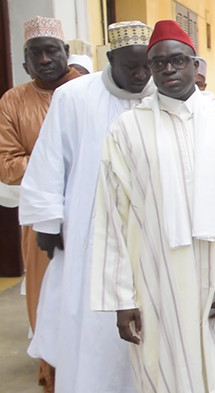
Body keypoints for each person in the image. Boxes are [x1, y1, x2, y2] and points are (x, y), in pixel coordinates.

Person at [90, 20, 215, 393]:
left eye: (177, 60)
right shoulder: (127, 130)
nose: (168, 69)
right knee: (165, 375)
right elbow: (111, 215)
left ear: (194, 63)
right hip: (157, 281)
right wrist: (121, 299)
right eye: (159, 63)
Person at [18, 21, 155, 393]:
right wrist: (47, 221)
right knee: (92, 328)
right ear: (110, 59)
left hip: (151, 238)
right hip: (88, 233)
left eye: (148, 65)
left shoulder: (164, 94)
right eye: (132, 67)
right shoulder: (74, 97)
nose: (142, 75)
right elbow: (50, 161)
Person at [0, 16, 81, 391]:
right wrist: (55, 164)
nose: (45, 59)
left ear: (66, 53)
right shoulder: (13, 101)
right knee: (45, 302)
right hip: (40, 222)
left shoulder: (88, 90)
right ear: (25, 64)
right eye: (36, 54)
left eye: (52, 51)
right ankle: (53, 379)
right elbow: (7, 165)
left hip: (90, 212)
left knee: (90, 300)